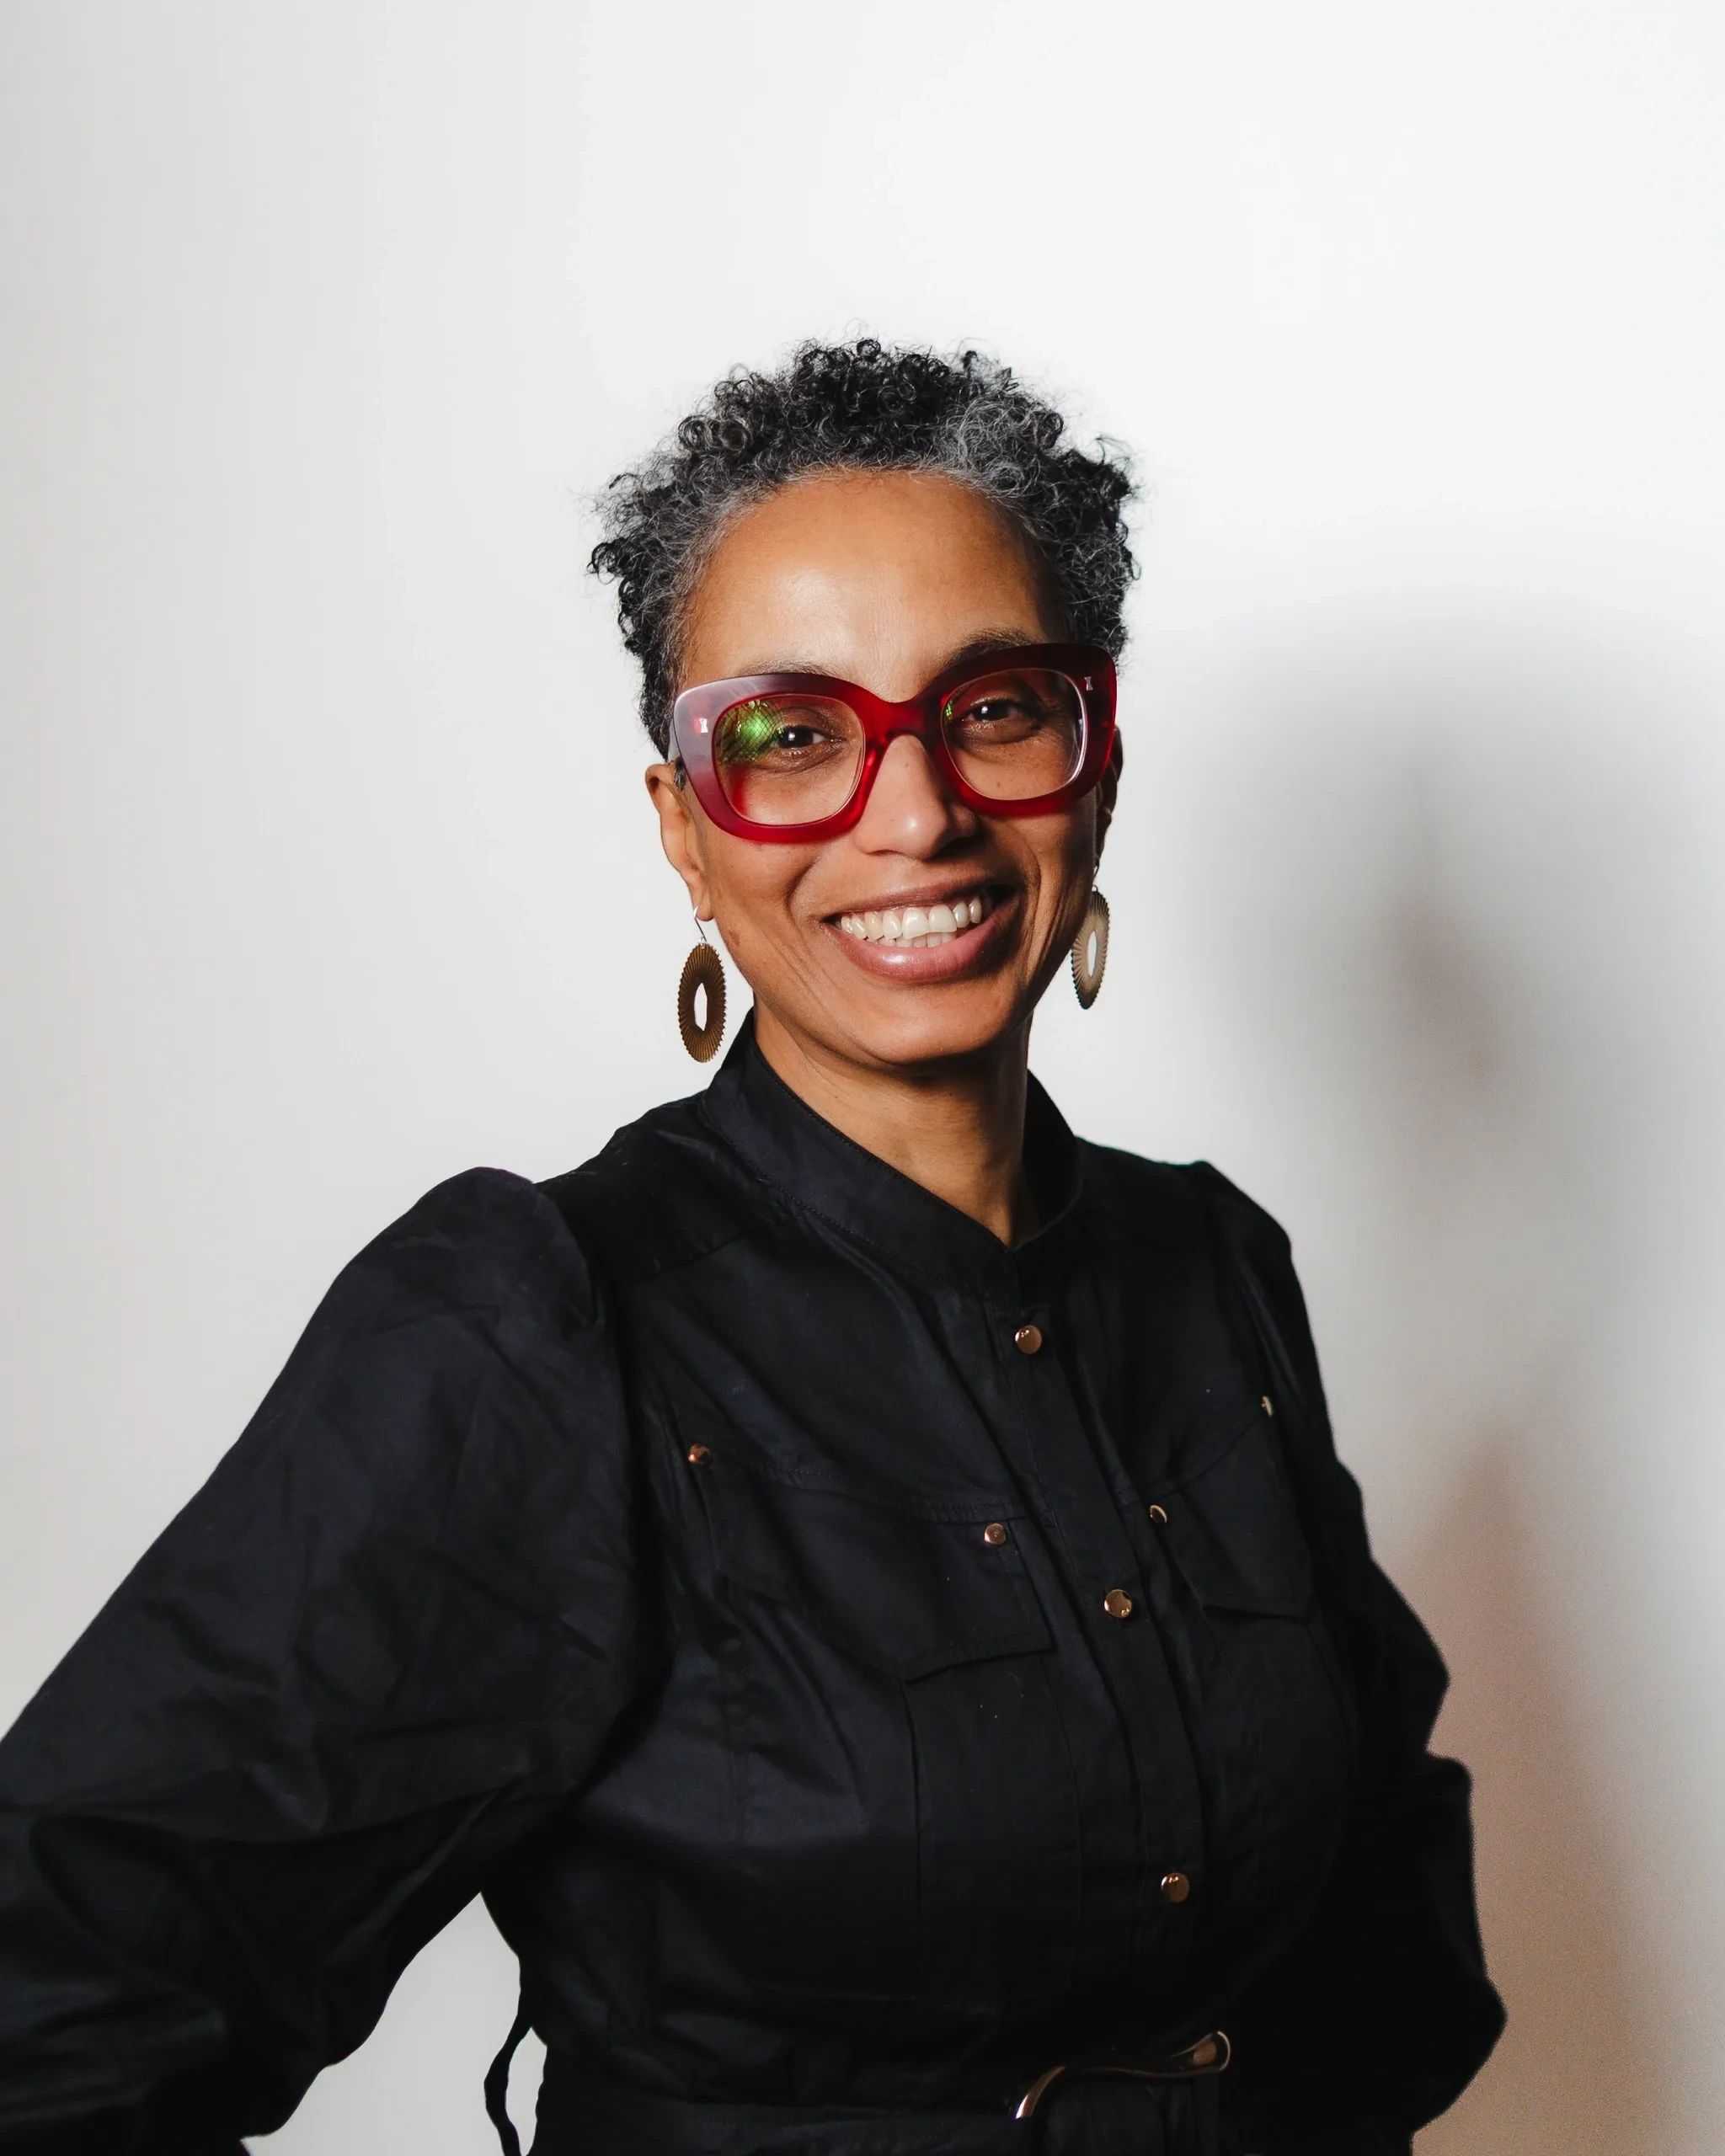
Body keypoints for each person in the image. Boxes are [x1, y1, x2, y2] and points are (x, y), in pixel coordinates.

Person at [0, 338, 1504, 2156]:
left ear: (1096, 752)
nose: (914, 809)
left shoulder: (1208, 1265)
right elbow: (57, 2004)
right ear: (684, 832)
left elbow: (1370, 1938)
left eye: (997, 705)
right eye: (789, 736)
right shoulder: (530, 1328)